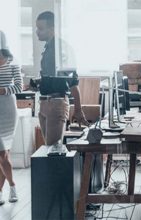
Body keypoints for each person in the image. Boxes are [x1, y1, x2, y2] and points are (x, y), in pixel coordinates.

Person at [35, 11, 89, 151]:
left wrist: (78, 109)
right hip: (45, 103)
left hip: (56, 103)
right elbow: (50, 77)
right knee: (49, 149)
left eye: (40, 28)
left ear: (52, 29)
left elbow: (73, 83)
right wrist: (34, 83)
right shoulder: (48, 48)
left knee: (54, 150)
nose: (37, 32)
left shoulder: (61, 50)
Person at [0, 30, 22, 205]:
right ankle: (7, 188)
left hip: (8, 109)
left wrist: (3, 90)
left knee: (2, 153)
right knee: (2, 154)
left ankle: (11, 187)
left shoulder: (13, 63)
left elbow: (19, 87)